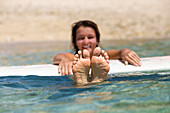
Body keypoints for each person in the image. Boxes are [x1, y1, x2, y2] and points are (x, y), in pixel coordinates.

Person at [53, 20, 141, 85]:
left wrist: (125, 52)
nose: (86, 42)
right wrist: (64, 59)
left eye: (90, 37)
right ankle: (96, 81)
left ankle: (82, 82)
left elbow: (119, 52)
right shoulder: (74, 58)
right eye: (81, 38)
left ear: (97, 40)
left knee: (77, 88)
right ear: (75, 42)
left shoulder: (103, 56)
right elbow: (57, 57)